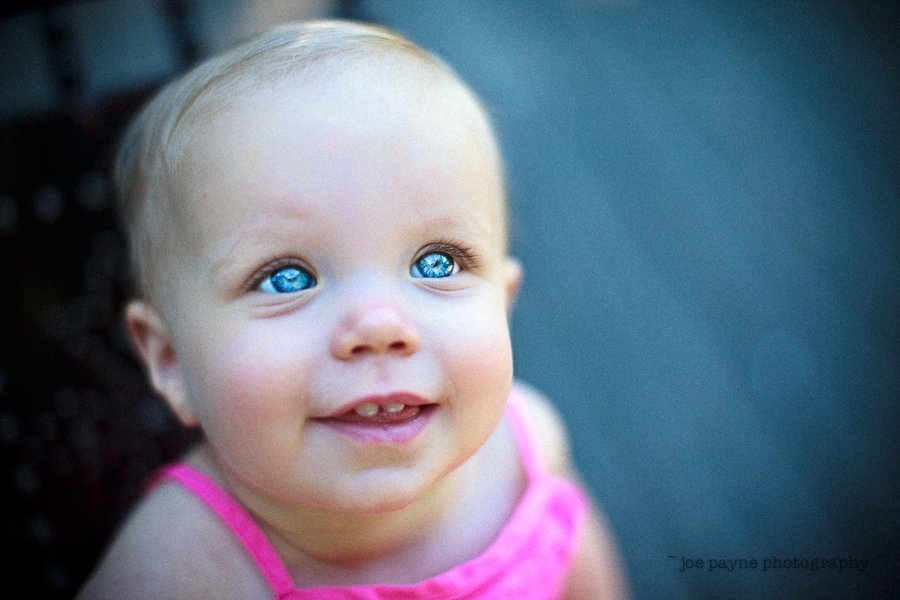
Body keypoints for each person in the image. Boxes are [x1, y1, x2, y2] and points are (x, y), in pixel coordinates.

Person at [77, 20, 630, 599]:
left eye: (436, 263)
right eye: (286, 278)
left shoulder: (527, 451)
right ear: (170, 361)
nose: (379, 326)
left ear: (503, 303)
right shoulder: (177, 573)